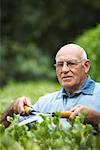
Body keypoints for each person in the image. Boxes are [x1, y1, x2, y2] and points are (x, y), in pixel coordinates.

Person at [0, 43, 100, 130]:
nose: (64, 70)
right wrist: (12, 109)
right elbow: (3, 127)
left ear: (86, 66)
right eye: (60, 65)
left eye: (71, 64)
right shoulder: (44, 102)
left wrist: (96, 119)